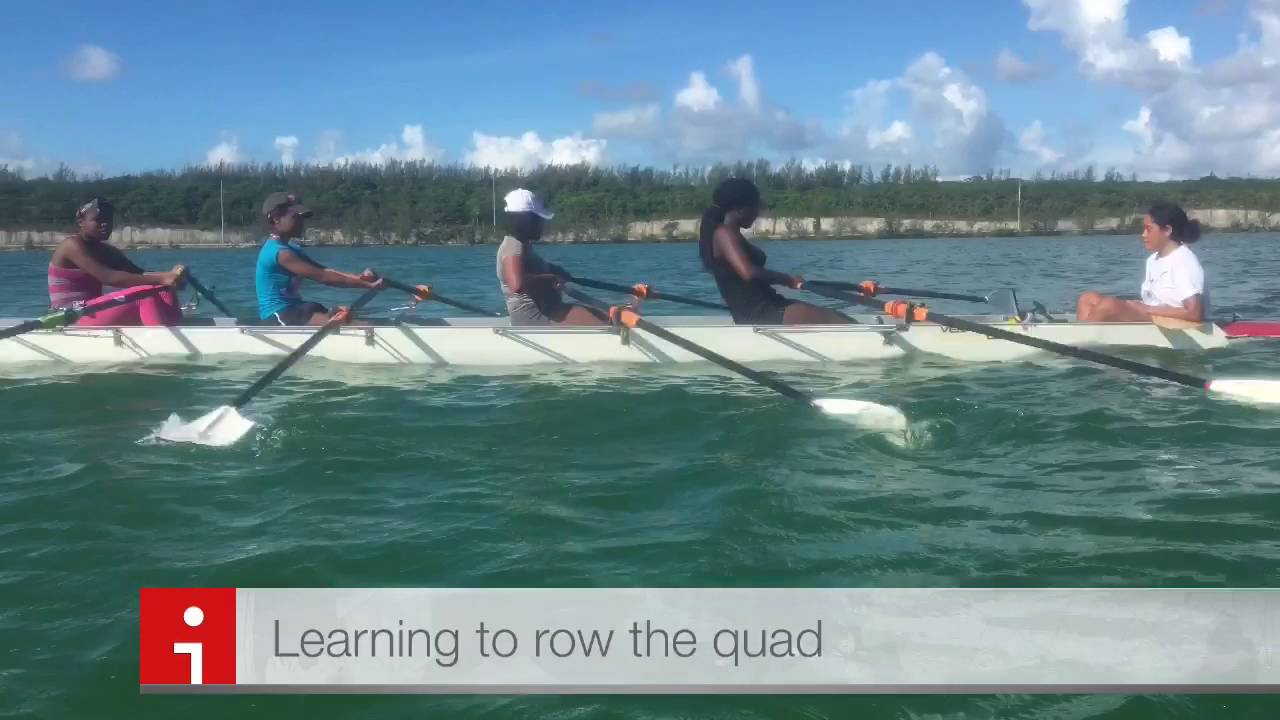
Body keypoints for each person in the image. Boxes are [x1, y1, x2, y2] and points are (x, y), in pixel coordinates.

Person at [699, 178, 849, 325]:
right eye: (755, 207)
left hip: (768, 305)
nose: (757, 213)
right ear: (739, 208)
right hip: (760, 312)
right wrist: (789, 280)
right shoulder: (724, 234)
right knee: (838, 322)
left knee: (839, 317)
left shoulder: (729, 234)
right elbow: (748, 272)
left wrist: (789, 281)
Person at [47, 197, 186, 326]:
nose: (105, 224)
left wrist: (172, 276)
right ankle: (161, 341)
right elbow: (109, 278)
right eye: (99, 220)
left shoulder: (108, 251)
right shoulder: (71, 245)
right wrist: (163, 278)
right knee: (144, 297)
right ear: (81, 222)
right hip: (69, 316)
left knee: (163, 290)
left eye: (108, 220)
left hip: (91, 311)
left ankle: (177, 329)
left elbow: (140, 274)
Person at [255, 192, 384, 326]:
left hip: (298, 309)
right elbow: (323, 277)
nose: (302, 222)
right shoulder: (278, 252)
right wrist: (368, 285)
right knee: (360, 326)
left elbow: (326, 270)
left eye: (302, 218)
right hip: (278, 315)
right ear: (276, 218)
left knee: (350, 319)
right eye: (296, 217)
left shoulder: (293, 249)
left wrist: (362, 278)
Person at [1076, 202, 1208, 323]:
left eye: (1148, 229)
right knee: (1087, 298)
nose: (1143, 235)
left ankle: (1079, 343)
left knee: (1109, 305)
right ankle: (1084, 340)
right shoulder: (1152, 260)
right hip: (1153, 316)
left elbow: (1194, 313)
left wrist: (1146, 309)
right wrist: (1140, 306)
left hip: (1171, 321)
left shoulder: (1183, 260)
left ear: (1167, 230)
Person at [496, 188, 604, 326]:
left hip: (549, 311)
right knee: (604, 323)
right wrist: (552, 279)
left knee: (602, 315)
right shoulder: (512, 246)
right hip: (535, 319)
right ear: (526, 220)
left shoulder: (523, 246)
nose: (542, 224)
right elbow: (517, 284)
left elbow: (536, 270)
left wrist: (556, 270)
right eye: (539, 219)